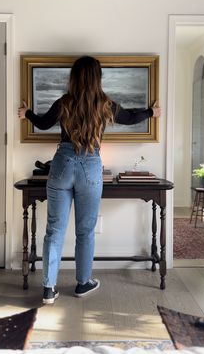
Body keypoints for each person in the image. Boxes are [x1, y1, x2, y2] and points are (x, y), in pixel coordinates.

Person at [18, 56, 161, 304]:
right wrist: (152, 111)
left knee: (54, 230)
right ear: (98, 78)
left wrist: (26, 113)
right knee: (85, 231)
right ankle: (83, 283)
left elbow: (42, 123)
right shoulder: (105, 105)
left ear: (74, 78)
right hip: (90, 167)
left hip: (62, 164)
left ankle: (49, 289)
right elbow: (129, 117)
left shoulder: (64, 102)